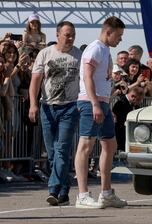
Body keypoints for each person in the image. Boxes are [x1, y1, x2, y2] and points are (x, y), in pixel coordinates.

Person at [75, 16, 127, 209]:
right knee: (86, 145)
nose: (120, 40)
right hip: (90, 101)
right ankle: (82, 195)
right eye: (119, 35)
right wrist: (95, 104)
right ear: (108, 32)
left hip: (102, 102)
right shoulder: (95, 48)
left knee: (110, 145)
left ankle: (106, 193)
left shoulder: (105, 50)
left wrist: (105, 105)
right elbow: (86, 77)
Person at [28, 21, 82, 206]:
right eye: (67, 34)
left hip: (70, 107)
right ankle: (64, 191)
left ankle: (53, 188)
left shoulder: (78, 55)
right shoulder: (45, 53)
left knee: (62, 149)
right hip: (47, 107)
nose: (70, 38)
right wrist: (33, 104)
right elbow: (35, 81)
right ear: (57, 34)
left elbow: (85, 80)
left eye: (73, 34)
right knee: (52, 153)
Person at [112, 86, 144, 151]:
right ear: (133, 96)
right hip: (121, 135)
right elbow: (119, 122)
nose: (139, 102)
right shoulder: (120, 103)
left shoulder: (135, 105)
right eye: (138, 100)